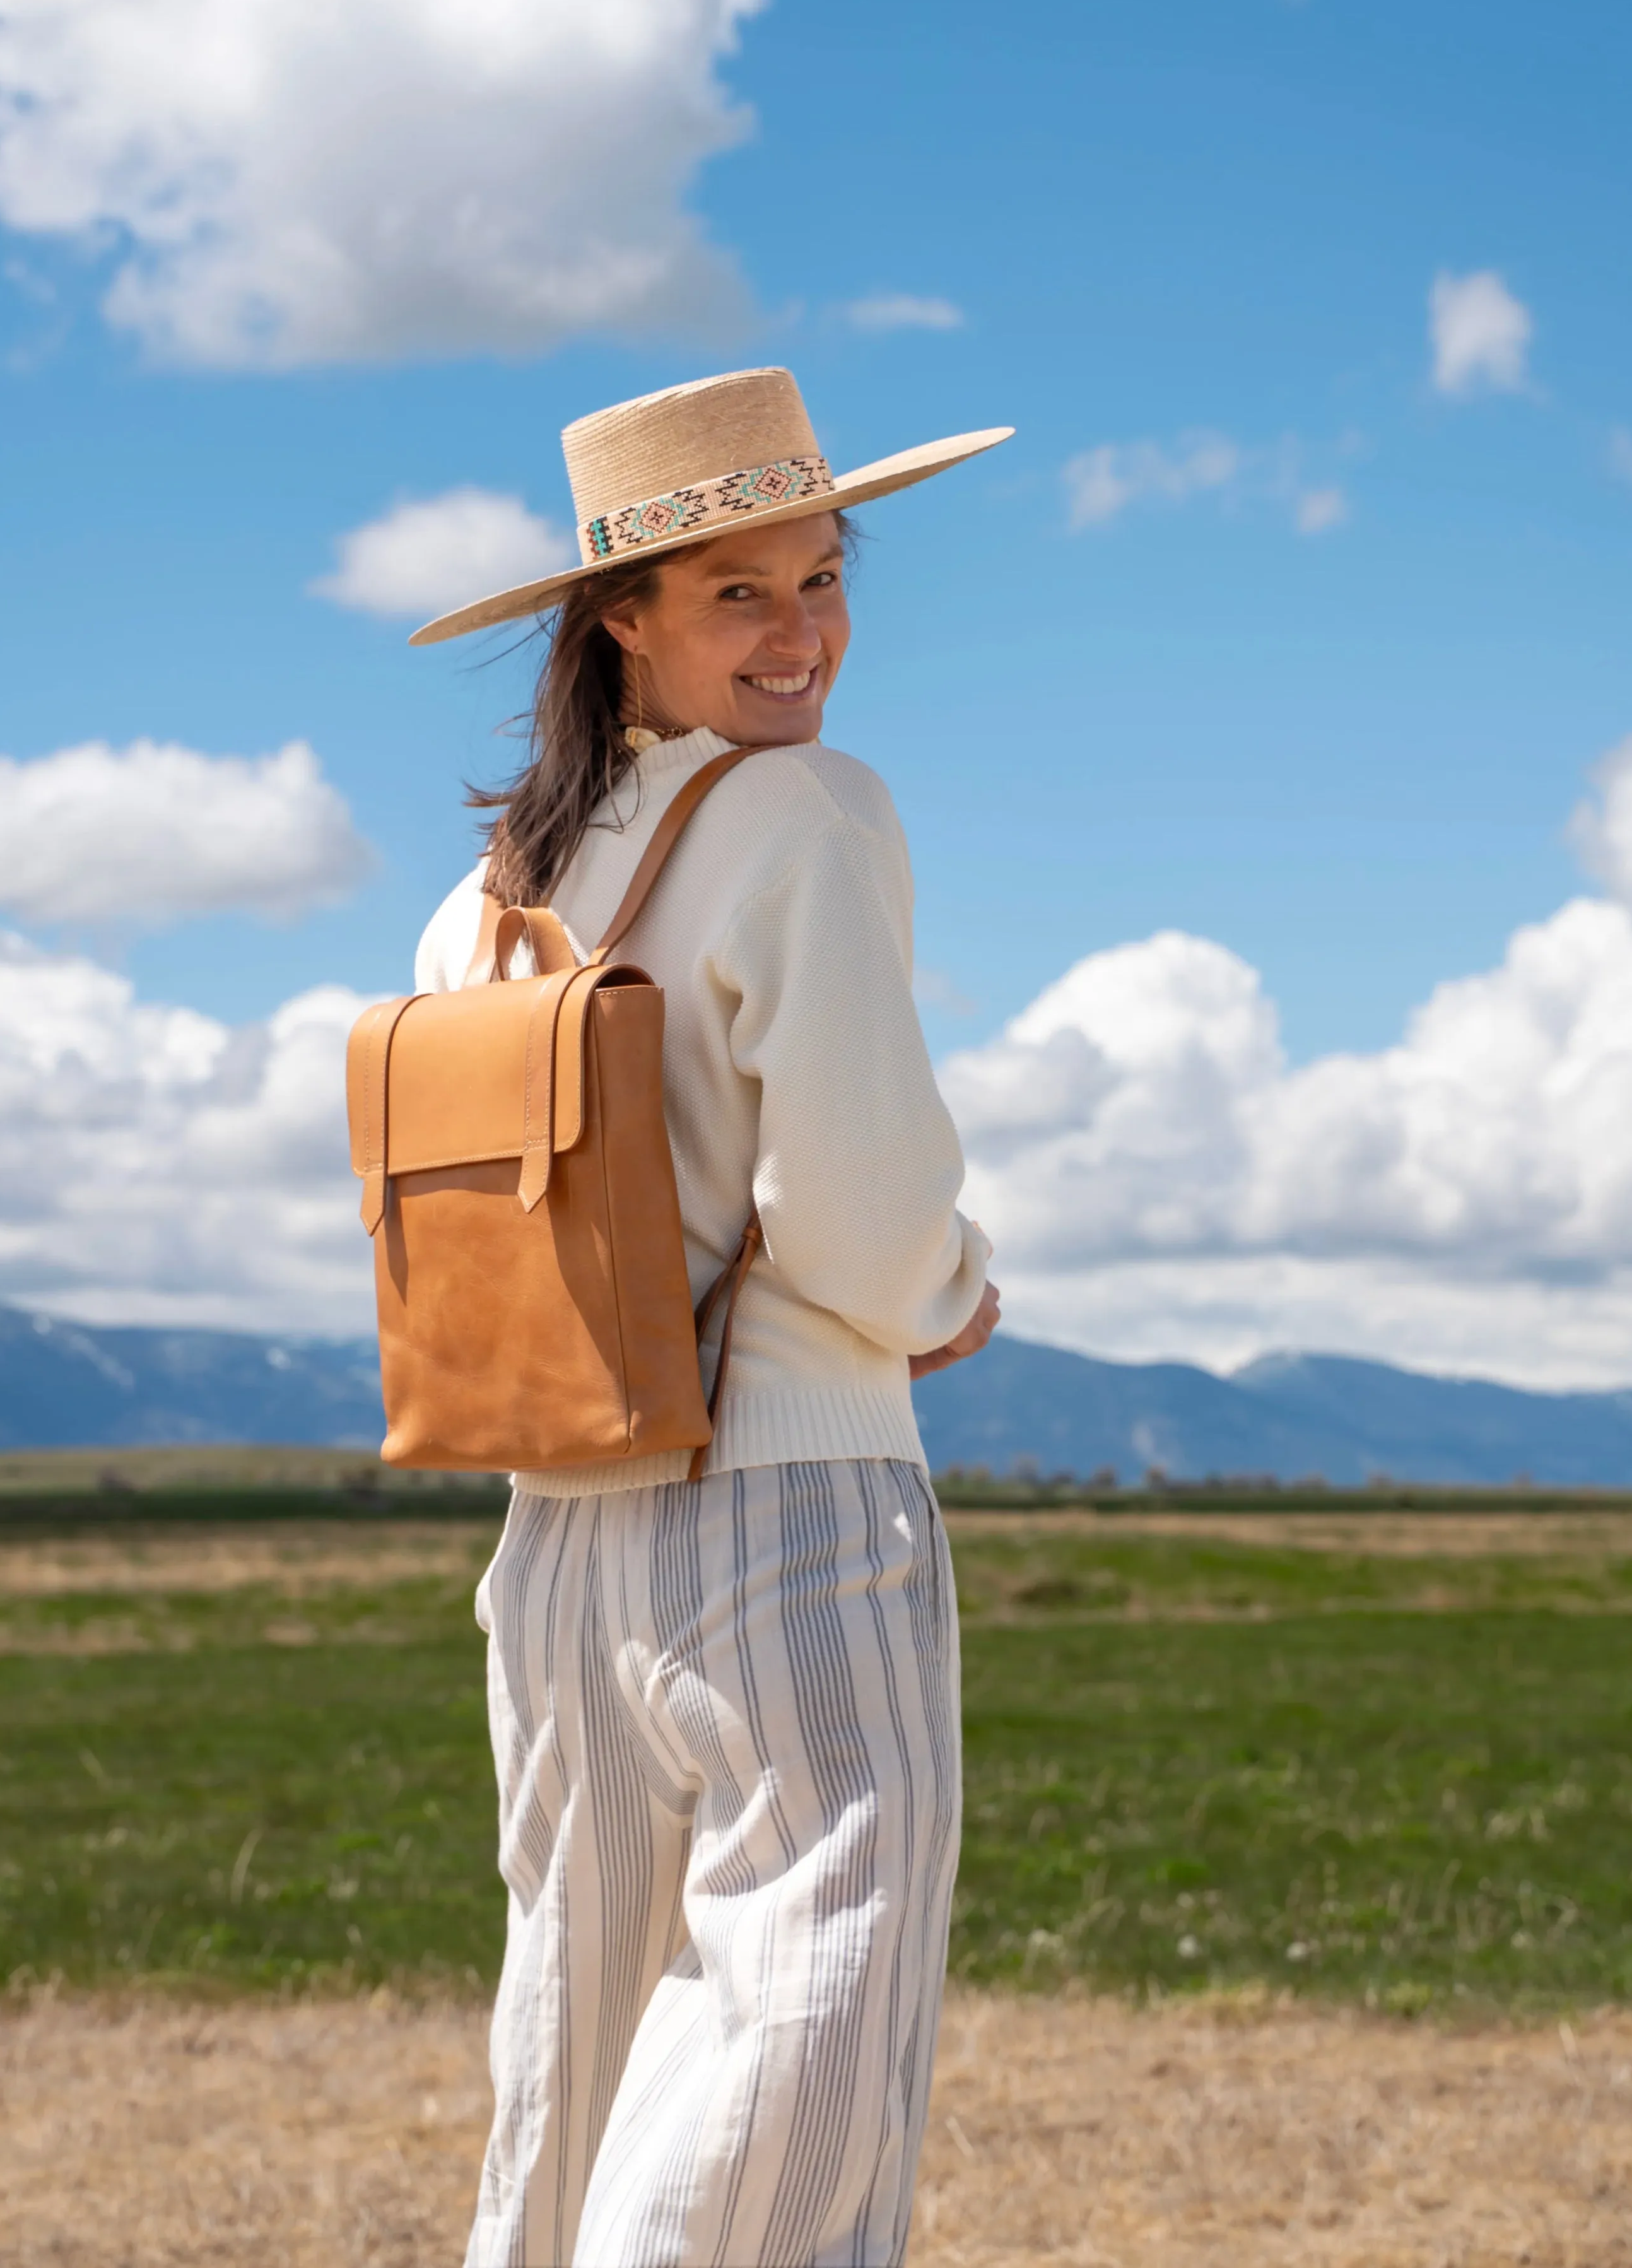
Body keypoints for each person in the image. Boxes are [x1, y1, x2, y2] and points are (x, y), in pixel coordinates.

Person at [409, 365, 1011, 2268]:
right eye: (738, 592)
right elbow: (851, 1203)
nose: (801, 633)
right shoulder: (807, 813)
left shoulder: (483, 908)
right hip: (792, 1500)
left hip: (561, 1529)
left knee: (571, 2035)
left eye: (821, 578)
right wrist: (948, 1292)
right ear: (626, 620)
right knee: (799, 2036)